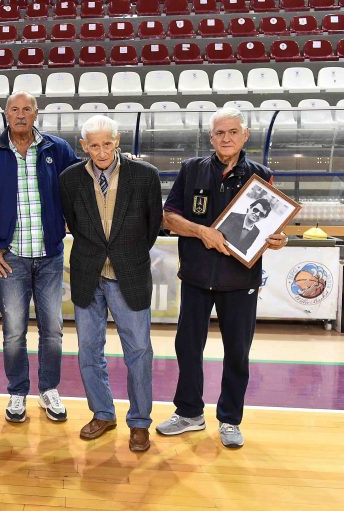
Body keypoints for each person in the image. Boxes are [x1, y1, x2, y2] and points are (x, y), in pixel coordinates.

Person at [157, 107, 289, 448]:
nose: (226, 138)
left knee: (237, 353)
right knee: (188, 347)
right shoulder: (191, 169)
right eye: (219, 133)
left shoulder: (261, 176)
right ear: (211, 137)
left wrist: (279, 239)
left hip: (240, 280)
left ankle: (230, 419)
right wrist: (202, 231)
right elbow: (169, 218)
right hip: (197, 276)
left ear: (245, 135)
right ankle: (189, 413)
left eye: (232, 132)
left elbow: (273, 228)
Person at [0, 90, 79, 423]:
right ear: (6, 114)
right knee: (14, 331)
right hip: (10, 257)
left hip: (49, 256)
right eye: (14, 109)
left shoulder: (57, 148)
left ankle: (48, 389)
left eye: (26, 109)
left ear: (36, 113)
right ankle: (17, 391)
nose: (20, 115)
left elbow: (80, 187)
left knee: (53, 330)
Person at [59, 115, 162, 452]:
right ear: (84, 146)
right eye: (94, 145)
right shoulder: (70, 179)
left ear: (117, 141)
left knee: (139, 352)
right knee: (89, 351)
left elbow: (152, 227)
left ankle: (140, 422)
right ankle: (102, 413)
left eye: (107, 143)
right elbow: (73, 223)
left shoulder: (145, 176)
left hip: (129, 274)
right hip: (88, 275)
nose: (101, 151)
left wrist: (125, 256)